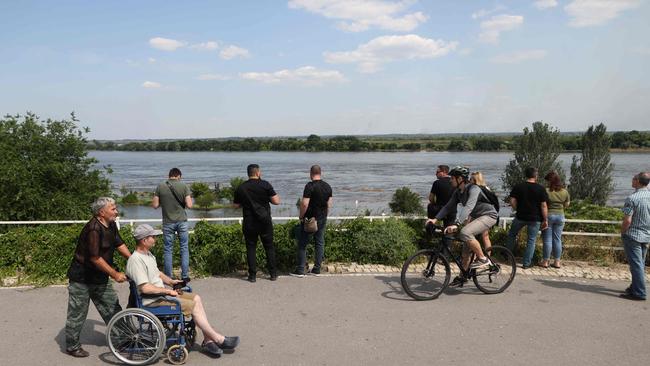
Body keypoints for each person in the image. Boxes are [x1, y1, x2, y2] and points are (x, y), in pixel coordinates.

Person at [126, 224, 240, 355]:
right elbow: (145, 287)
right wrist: (168, 291)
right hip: (152, 301)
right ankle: (218, 338)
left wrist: (171, 282)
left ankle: (208, 339)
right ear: (144, 240)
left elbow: (156, 273)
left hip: (160, 295)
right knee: (193, 305)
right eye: (153, 237)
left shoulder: (148, 255)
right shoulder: (135, 260)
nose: (155, 239)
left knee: (196, 298)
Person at [64, 197, 131, 358]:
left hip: (100, 276)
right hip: (82, 278)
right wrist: (115, 274)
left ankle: (123, 338)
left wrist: (134, 259)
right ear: (102, 212)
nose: (116, 211)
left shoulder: (111, 224)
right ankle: (72, 346)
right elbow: (95, 258)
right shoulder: (93, 228)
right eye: (113, 208)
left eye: (115, 208)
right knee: (77, 313)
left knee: (113, 308)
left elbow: (119, 243)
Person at [427, 166, 499, 287]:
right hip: (476, 216)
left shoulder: (474, 189)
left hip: (489, 216)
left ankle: (483, 259)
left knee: (465, 232)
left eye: (452, 178)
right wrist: (435, 219)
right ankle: (463, 276)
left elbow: (468, 207)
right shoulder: (458, 192)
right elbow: (447, 207)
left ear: (460, 179)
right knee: (465, 251)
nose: (450, 180)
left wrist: (457, 224)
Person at [233, 164, 281, 282]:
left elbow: (235, 205)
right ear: (258, 173)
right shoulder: (265, 185)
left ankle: (252, 276)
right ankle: (273, 274)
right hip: (264, 221)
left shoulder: (241, 187)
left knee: (251, 247)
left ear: (248, 173)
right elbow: (276, 201)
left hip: (249, 221)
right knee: (269, 247)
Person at [290, 165, 333, 277]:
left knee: (302, 244)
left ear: (310, 173)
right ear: (320, 172)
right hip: (322, 218)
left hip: (310, 219)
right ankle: (317, 269)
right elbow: (329, 204)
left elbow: (304, 204)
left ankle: (300, 270)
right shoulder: (328, 186)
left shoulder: (309, 186)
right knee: (319, 243)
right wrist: (325, 215)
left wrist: (301, 216)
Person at [152, 167, 193, 282]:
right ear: (178, 176)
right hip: (182, 221)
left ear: (169, 175)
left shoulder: (160, 186)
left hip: (168, 222)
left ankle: (168, 276)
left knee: (168, 249)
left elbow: (155, 205)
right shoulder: (184, 186)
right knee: (184, 248)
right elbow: (189, 205)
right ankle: (185, 276)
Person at [506, 167, 549, 269]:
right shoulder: (540, 188)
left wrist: (518, 209)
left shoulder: (518, 186)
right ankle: (526, 263)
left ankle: (508, 257)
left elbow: (512, 201)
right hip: (535, 218)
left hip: (520, 216)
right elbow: (543, 206)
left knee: (512, 235)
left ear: (526, 175)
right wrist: (545, 219)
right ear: (535, 176)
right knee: (531, 240)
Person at [619, 172, 650, 301]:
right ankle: (634, 287)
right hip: (647, 235)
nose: (631, 180)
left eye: (633, 178)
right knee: (640, 264)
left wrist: (623, 232)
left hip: (633, 235)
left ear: (638, 181)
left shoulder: (633, 198)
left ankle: (639, 292)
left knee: (636, 265)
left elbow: (627, 220)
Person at [540, 171, 570, 269]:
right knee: (557, 239)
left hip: (549, 216)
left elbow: (543, 204)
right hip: (560, 216)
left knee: (547, 240)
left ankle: (545, 261)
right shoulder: (565, 192)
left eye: (548, 181)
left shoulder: (546, 191)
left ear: (550, 181)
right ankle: (557, 262)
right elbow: (567, 204)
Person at [470, 171, 493, 252]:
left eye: (471, 179)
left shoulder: (475, 190)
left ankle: (478, 256)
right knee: (485, 237)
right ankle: (486, 257)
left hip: (479, 215)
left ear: (475, 180)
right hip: (488, 215)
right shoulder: (487, 188)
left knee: (471, 236)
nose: (469, 181)